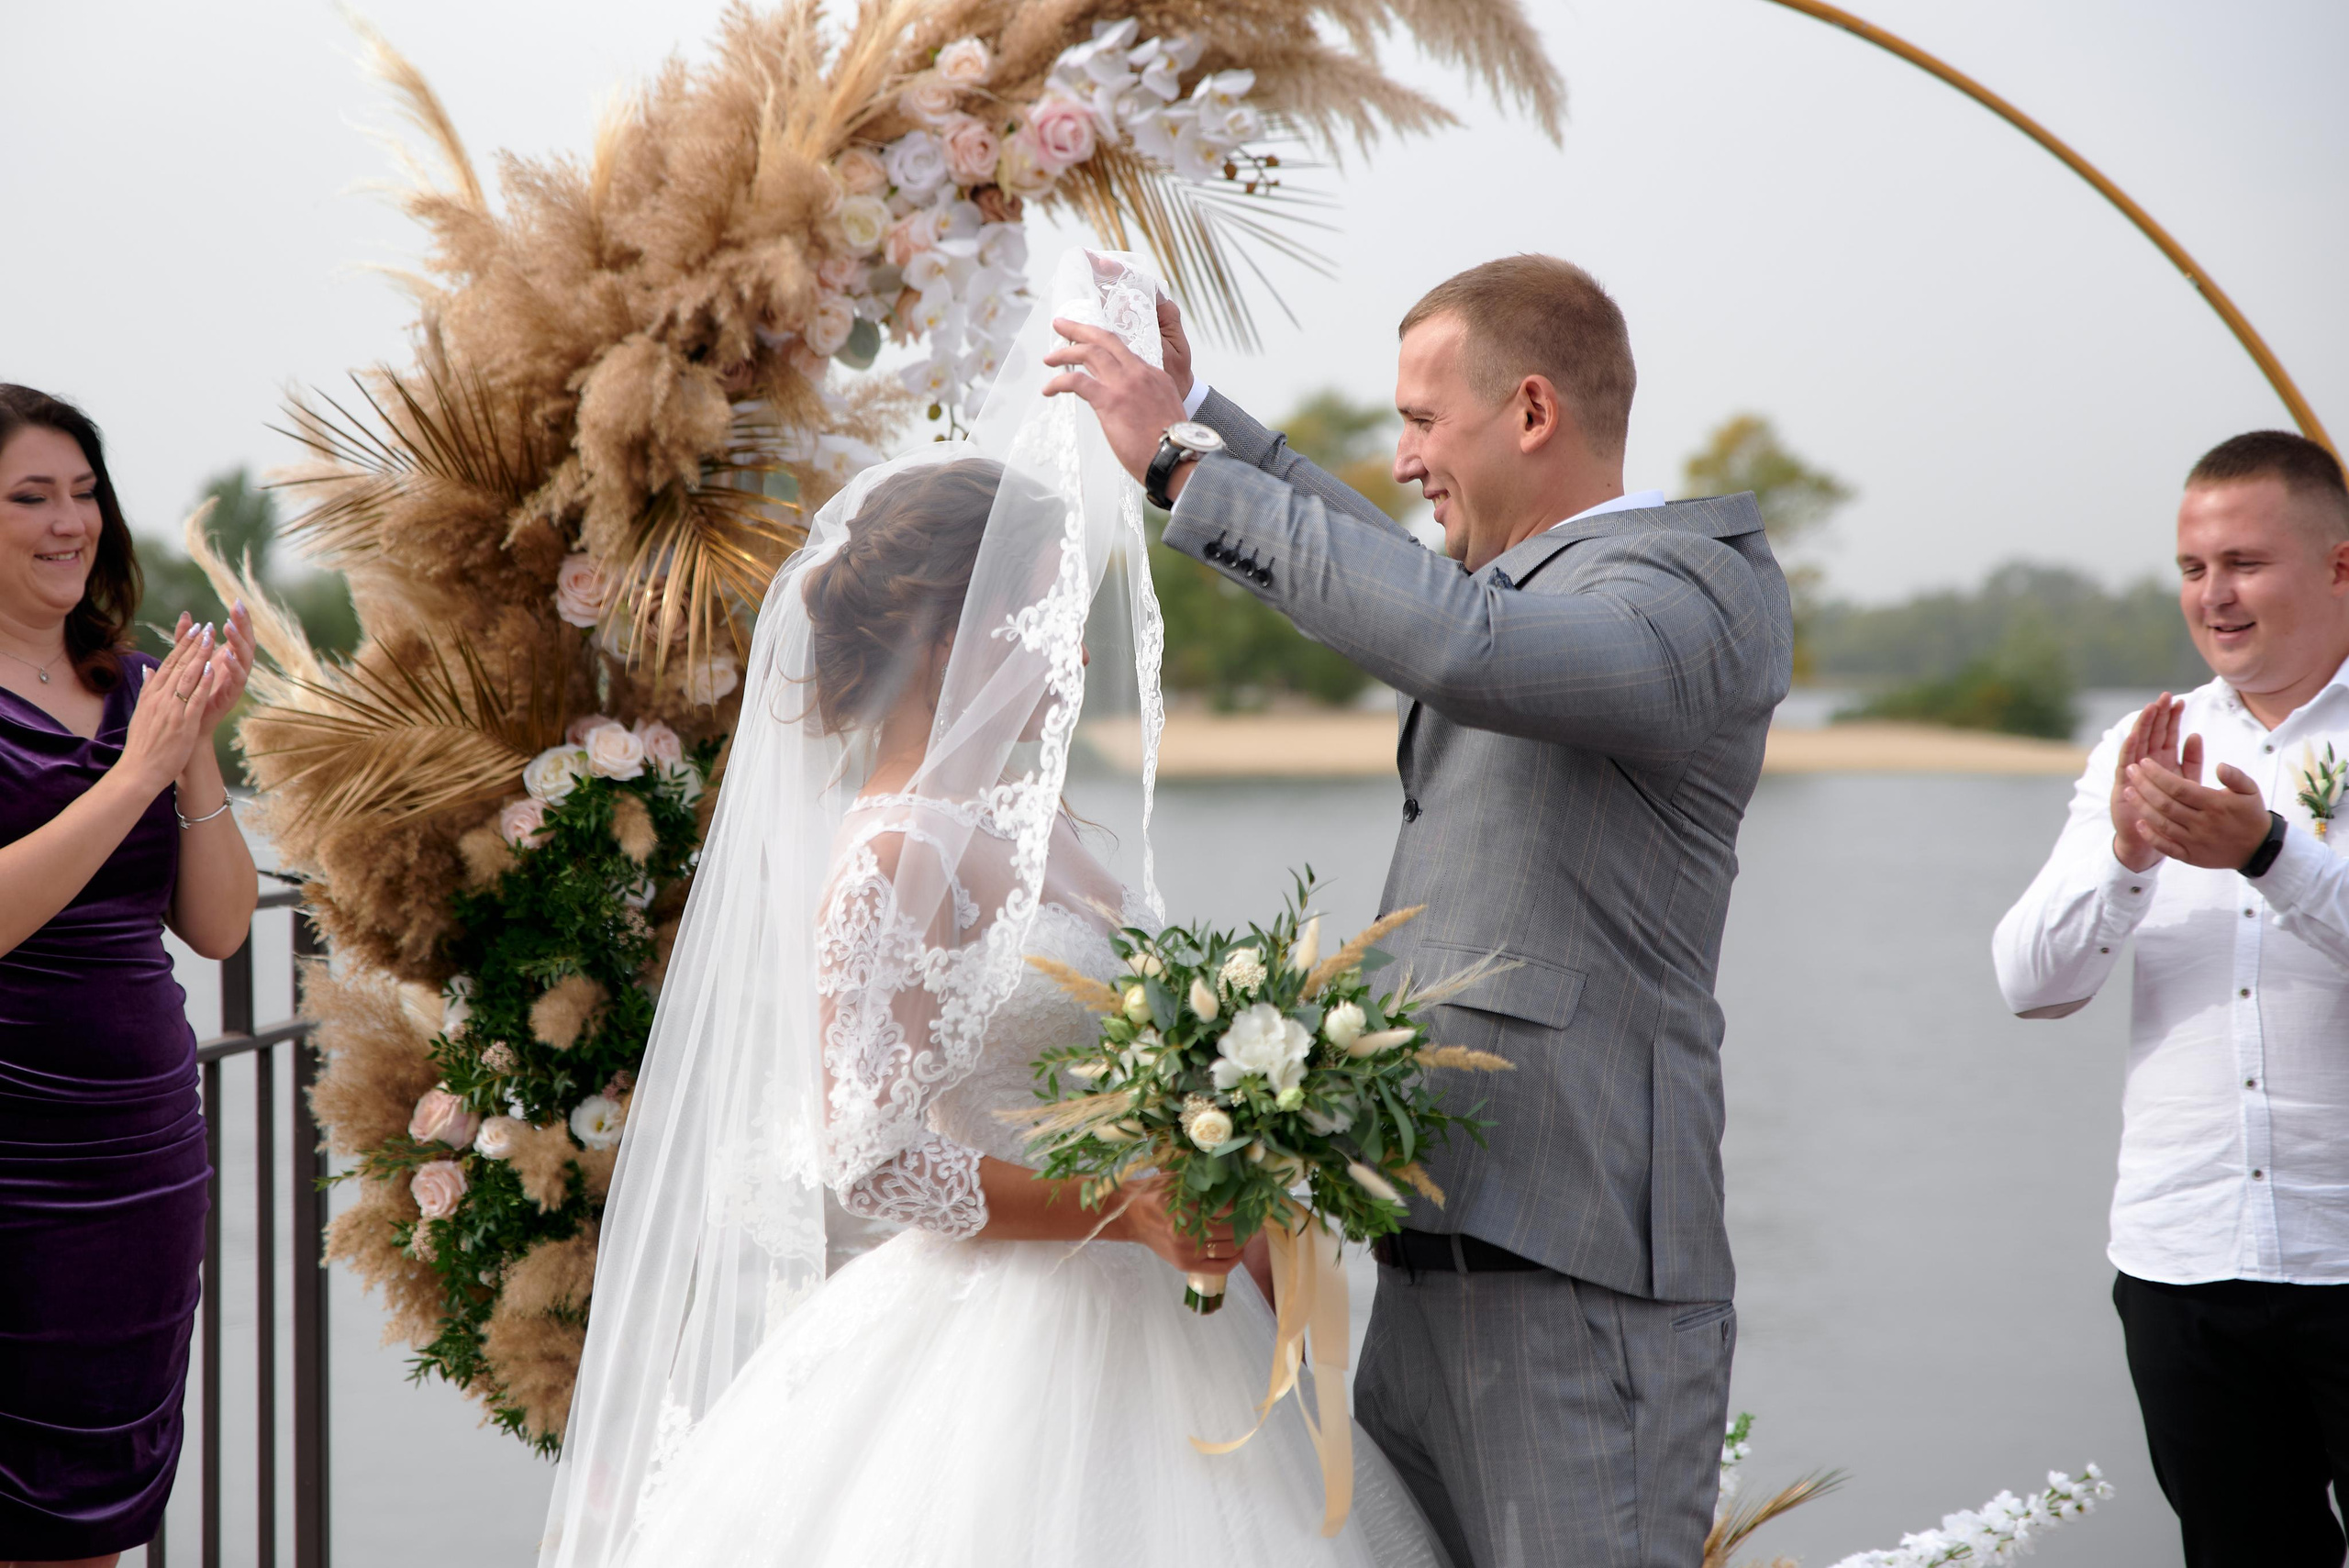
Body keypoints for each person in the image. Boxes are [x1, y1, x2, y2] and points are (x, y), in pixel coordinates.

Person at [540, 252, 1446, 1568]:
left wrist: (1221, 1163)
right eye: (1040, 613)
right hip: (1000, 1347)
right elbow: (874, 1158)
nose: (1074, 651)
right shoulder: (894, 857)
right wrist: (1121, 1200)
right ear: (945, 635)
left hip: (1170, 1311)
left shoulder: (1047, 832)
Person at [1044, 255, 1794, 1566]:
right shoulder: (1530, 582)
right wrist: (1202, 412)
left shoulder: (1695, 594)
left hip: (1580, 1295)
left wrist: (1178, 468)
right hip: (1427, 1275)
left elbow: (1461, 644)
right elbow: (1417, 586)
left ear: (1535, 413)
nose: (1402, 460)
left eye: (1422, 423)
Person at [1993, 430, 2349, 1566]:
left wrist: (2269, 854)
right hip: (2183, 1256)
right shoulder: (2142, 746)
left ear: (2339, 566)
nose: (2213, 595)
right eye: (2193, 568)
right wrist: (2126, 856)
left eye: (2243, 562)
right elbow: (2028, 984)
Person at [0, 385, 256, 1566]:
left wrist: (192, 741)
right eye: (31, 497)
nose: (71, 522)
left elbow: (219, 924)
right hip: (15, 1163)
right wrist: (132, 774)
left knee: (99, 1519)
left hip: (143, 1161)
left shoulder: (137, 689)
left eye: (85, 493)